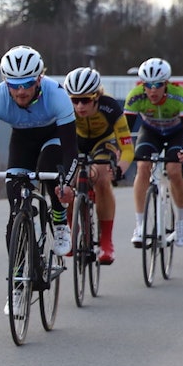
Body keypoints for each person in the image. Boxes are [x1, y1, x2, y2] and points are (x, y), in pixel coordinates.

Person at [0, 45, 77, 313]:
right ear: (5, 82)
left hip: (53, 137)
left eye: (27, 83)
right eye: (14, 84)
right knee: (16, 208)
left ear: (39, 78)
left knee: (49, 170)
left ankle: (59, 219)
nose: (20, 91)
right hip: (21, 142)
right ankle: (18, 286)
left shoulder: (57, 95)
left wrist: (67, 184)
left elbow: (71, 150)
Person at [62, 67, 134, 265]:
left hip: (104, 142)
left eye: (85, 100)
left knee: (102, 178)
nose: (79, 106)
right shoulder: (64, 107)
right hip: (76, 142)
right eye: (74, 100)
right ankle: (71, 230)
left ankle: (106, 241)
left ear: (97, 96)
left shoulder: (110, 107)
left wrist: (120, 168)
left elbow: (128, 148)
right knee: (66, 180)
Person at [122, 58, 183, 248]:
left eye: (158, 85)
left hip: (176, 134)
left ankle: (180, 222)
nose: (152, 90)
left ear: (167, 83)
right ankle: (140, 225)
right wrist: (121, 151)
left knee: (173, 170)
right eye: (148, 85)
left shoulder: (180, 96)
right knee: (142, 166)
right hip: (150, 132)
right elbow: (123, 130)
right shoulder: (136, 96)